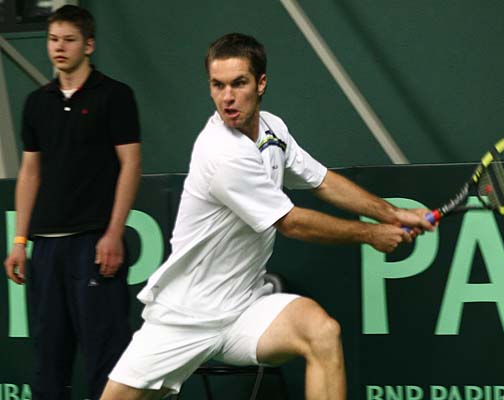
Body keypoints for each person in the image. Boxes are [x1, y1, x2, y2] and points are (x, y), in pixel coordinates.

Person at [101, 33, 433, 400]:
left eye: (238, 83)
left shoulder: (272, 129)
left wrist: (393, 213)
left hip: (245, 307)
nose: (227, 97)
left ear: (260, 84)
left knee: (321, 332)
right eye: (217, 85)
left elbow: (321, 180)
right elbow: (291, 222)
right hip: (186, 316)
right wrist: (371, 234)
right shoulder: (222, 153)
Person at [3, 5, 141, 400]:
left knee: (106, 356)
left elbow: (131, 164)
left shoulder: (115, 95)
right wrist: (19, 242)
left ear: (89, 45)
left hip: (94, 246)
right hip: (46, 250)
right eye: (53, 39)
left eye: (69, 40)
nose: (59, 47)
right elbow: (30, 172)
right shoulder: (36, 102)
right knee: (49, 359)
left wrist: (113, 233)